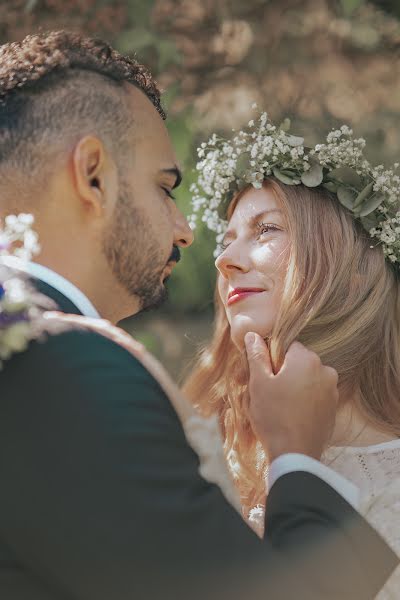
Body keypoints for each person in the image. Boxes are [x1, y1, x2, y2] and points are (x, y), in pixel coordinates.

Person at [0, 31, 396, 600]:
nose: (191, 234)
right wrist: (298, 461)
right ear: (92, 175)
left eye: (265, 230)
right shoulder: (71, 366)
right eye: (164, 188)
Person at [185, 113, 400, 597]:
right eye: (227, 239)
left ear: (357, 270)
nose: (225, 259)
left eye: (266, 230)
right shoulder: (202, 457)